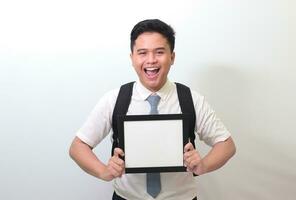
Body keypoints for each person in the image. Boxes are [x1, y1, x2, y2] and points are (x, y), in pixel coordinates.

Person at [69, 19, 236, 200]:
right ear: (132, 58)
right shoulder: (115, 99)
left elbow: (227, 145)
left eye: (159, 52)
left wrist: (202, 165)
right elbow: (78, 147)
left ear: (172, 57)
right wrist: (104, 171)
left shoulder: (191, 99)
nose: (151, 60)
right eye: (142, 53)